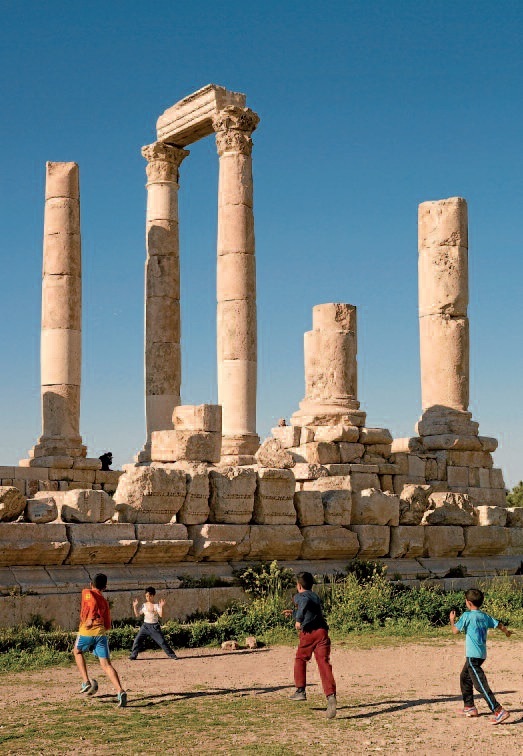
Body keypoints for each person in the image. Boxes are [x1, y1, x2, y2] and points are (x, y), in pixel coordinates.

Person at [450, 588, 512, 724]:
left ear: (468, 602)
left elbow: (455, 631)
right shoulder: (484, 616)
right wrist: (507, 632)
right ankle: (469, 707)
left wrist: (452, 620)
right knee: (464, 677)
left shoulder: (467, 616)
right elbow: (499, 624)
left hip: (472, 656)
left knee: (480, 684)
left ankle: (498, 710)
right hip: (481, 655)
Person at [284, 571, 337, 719]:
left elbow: (304, 603)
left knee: (300, 659)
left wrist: (298, 619)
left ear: (299, 586)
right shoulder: (315, 596)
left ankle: (300, 690)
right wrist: (294, 614)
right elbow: (310, 612)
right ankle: (331, 695)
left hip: (308, 634)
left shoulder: (300, 596)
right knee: (324, 663)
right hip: (322, 633)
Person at [73, 573, 127, 707]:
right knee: (107, 665)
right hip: (101, 633)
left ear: (91, 584)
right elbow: (108, 623)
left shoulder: (87, 592)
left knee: (77, 651)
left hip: (87, 631)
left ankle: (86, 681)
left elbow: (92, 602)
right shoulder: (104, 601)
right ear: (105, 587)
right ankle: (120, 690)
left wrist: (90, 618)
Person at [129, 587, 178, 660]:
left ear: (153, 596)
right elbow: (137, 614)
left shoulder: (156, 605)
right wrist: (134, 606)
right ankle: (133, 655)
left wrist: (161, 607)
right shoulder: (144, 605)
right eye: (146, 596)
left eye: (149, 596)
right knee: (137, 640)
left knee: (162, 642)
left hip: (154, 627)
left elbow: (161, 615)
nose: (148, 598)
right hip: (145, 626)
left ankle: (172, 655)